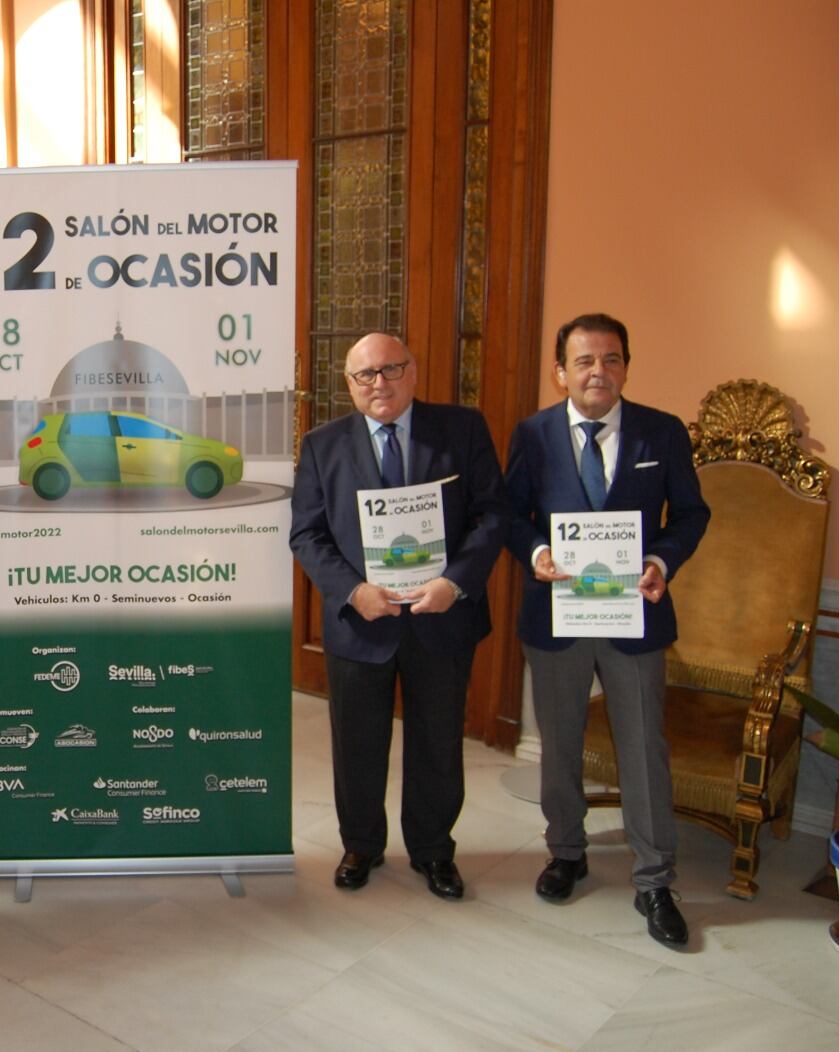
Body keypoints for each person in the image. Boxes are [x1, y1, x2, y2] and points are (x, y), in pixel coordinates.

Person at [504, 312, 710, 947]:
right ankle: (566, 852)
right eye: (585, 360)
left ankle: (654, 880)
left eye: (612, 359)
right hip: (558, 618)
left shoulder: (662, 432)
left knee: (643, 749)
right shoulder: (533, 434)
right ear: (560, 371)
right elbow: (510, 514)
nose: (599, 371)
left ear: (626, 365)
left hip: (634, 616)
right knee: (559, 743)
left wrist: (659, 561)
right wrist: (537, 553)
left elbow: (692, 513)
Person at [289, 333, 507, 900]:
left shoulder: (462, 429)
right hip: (361, 622)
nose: (378, 383)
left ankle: (434, 850)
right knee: (357, 743)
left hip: (442, 618)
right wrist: (351, 590)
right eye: (365, 375)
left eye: (391, 369)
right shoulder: (321, 445)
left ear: (413, 371)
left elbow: (491, 515)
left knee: (438, 742)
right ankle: (361, 844)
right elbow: (308, 534)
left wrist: (455, 583)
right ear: (349, 384)